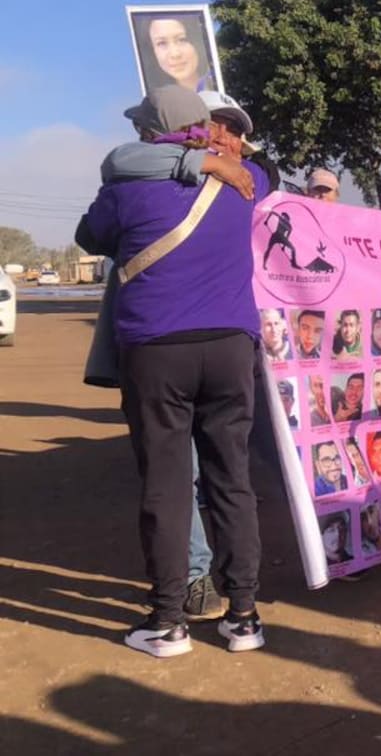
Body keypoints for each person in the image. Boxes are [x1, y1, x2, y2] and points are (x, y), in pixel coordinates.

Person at [77, 86, 265, 656]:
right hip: (232, 347)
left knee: (166, 484)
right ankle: (245, 618)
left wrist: (177, 161)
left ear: (151, 132)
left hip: (156, 350)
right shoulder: (244, 185)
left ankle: (167, 622)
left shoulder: (126, 188)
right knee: (232, 480)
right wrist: (205, 160)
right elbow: (260, 164)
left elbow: (90, 235)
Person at [137, 14, 216, 92]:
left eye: (182, 40)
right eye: (162, 43)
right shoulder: (157, 100)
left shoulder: (218, 81)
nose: (175, 54)